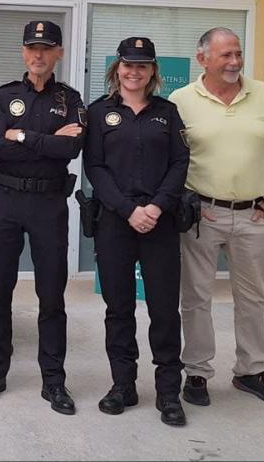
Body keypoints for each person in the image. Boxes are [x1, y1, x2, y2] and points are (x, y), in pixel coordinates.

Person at [169, 27, 264, 408]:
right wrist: (185, 201)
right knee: (195, 298)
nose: (235, 62)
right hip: (202, 214)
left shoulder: (263, 93)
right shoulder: (181, 100)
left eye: (238, 54)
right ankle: (198, 373)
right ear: (203, 58)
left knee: (252, 297)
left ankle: (251, 370)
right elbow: (171, 159)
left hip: (253, 214)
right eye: (226, 55)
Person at [0, 19, 85, 415]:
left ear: (59, 53)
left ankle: (54, 381)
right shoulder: (5, 96)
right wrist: (47, 143)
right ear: (23, 52)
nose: (38, 55)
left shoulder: (70, 99)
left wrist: (20, 136)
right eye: (32, 48)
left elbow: (70, 151)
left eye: (47, 48)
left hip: (49, 205)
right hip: (5, 200)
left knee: (52, 294)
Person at [84, 37, 189, 427]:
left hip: (159, 223)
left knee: (164, 310)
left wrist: (156, 206)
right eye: (128, 65)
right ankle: (123, 386)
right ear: (117, 69)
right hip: (116, 221)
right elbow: (95, 167)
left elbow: (180, 164)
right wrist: (129, 210)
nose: (134, 72)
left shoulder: (167, 112)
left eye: (142, 66)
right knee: (119, 308)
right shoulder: (99, 113)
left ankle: (168, 393)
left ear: (152, 72)